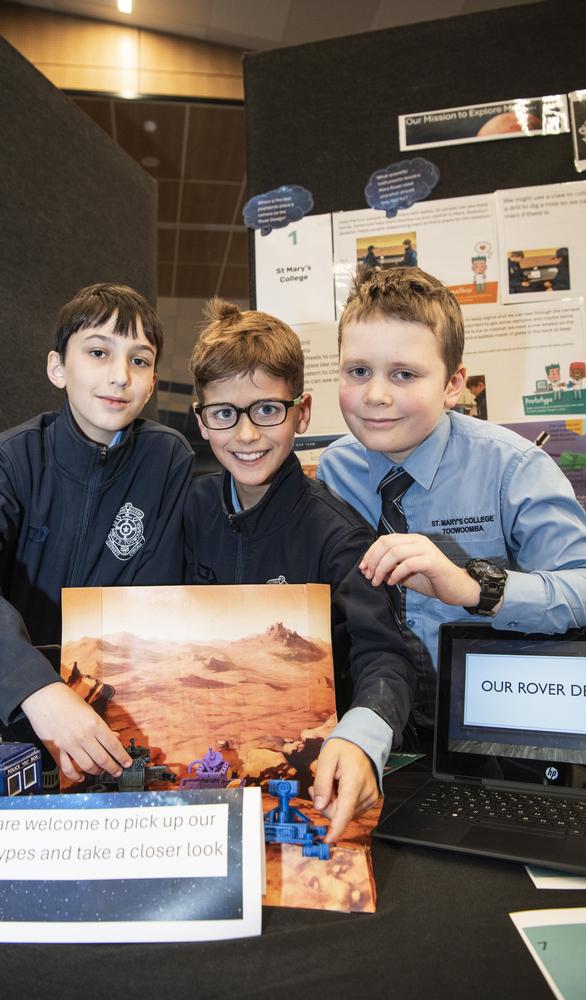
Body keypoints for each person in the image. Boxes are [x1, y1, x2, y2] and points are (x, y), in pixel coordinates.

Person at [0, 283, 194, 782]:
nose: (120, 376)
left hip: (124, 712)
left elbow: (163, 597)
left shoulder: (168, 459)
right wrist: (39, 689)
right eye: (99, 352)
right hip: (18, 708)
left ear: (154, 380)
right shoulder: (12, 457)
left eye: (139, 361)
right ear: (58, 367)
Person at [184, 298, 416, 842]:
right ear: (201, 421)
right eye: (224, 414)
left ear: (302, 411)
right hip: (202, 766)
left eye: (267, 410)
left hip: (306, 765)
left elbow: (384, 653)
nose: (246, 435)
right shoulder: (186, 510)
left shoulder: (338, 534)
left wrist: (362, 740)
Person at [318, 266, 586, 737]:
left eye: (404, 375)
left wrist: (472, 589)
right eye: (358, 371)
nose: (376, 395)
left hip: (493, 729)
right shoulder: (334, 472)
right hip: (376, 724)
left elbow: (581, 589)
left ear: (453, 384)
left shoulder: (513, 468)